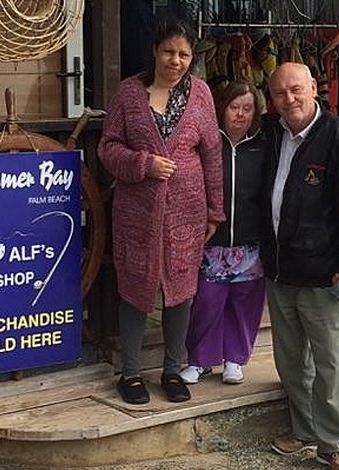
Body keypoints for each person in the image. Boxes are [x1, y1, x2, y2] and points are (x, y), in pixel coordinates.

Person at [261, 63, 339, 470]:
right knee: (290, 360)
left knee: (328, 362)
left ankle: (334, 443)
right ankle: (304, 430)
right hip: (281, 269)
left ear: (314, 87)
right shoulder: (273, 133)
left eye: (296, 89)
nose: (289, 99)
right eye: (280, 93)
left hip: (324, 271)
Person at [97, 20, 224, 405]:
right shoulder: (128, 94)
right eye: (169, 52)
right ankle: (131, 373)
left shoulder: (201, 94)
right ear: (155, 51)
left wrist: (215, 212)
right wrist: (143, 164)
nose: (176, 60)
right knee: (135, 289)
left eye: (184, 54)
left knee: (180, 292)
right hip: (137, 213)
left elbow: (212, 155)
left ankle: (172, 369)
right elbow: (107, 148)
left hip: (187, 212)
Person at [179, 80, 268, 386]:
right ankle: (199, 360)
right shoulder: (208, 141)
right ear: (222, 108)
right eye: (234, 107)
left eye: (247, 108)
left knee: (244, 303)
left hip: (249, 242)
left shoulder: (262, 144)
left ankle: (235, 359)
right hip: (212, 241)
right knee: (207, 301)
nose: (240, 114)